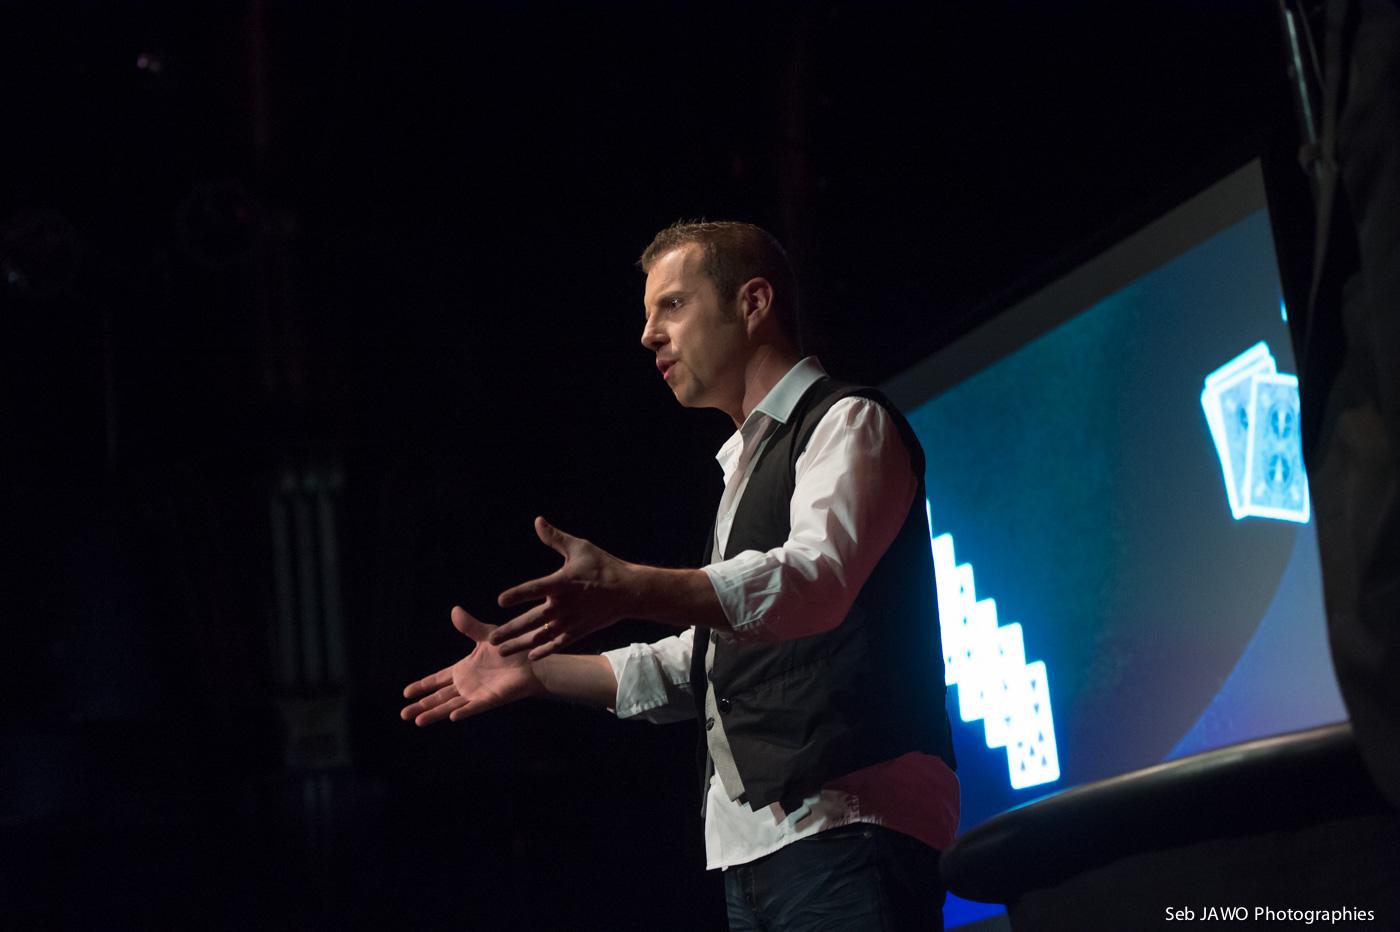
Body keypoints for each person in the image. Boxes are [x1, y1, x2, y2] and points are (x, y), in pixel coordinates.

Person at [401, 221, 959, 931]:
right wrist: (536, 673)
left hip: (848, 828)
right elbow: (707, 661)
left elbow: (813, 580)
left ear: (753, 303)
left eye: (672, 305)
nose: (648, 336)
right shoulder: (741, 472)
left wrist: (637, 586)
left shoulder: (847, 422)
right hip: (755, 854)